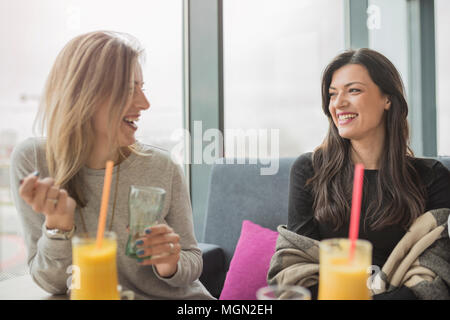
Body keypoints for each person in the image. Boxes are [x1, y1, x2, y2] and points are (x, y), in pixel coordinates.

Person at [9, 30, 214, 300]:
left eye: (142, 87)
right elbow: (52, 283)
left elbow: (192, 261)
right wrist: (58, 225)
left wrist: (170, 262)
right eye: (129, 89)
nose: (145, 103)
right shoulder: (34, 161)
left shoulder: (162, 167)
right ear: (84, 95)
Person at [284, 48, 450, 299]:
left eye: (353, 90)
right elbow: (299, 265)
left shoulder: (432, 177)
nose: (338, 103)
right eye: (332, 94)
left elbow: (432, 274)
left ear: (387, 99)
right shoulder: (309, 170)